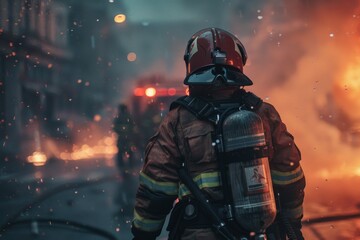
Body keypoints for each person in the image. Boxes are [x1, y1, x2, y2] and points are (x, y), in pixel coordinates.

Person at [132, 28, 306, 240]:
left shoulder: (178, 120)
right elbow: (289, 175)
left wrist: (143, 234)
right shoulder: (262, 113)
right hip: (262, 231)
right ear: (239, 61)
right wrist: (292, 223)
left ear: (192, 65)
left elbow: (157, 187)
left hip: (200, 232)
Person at [113, 104, 136, 170]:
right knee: (129, 151)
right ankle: (130, 165)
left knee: (121, 152)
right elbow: (133, 127)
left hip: (122, 138)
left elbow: (115, 128)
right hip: (128, 138)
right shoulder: (129, 117)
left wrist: (121, 131)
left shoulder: (118, 117)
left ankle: (122, 166)